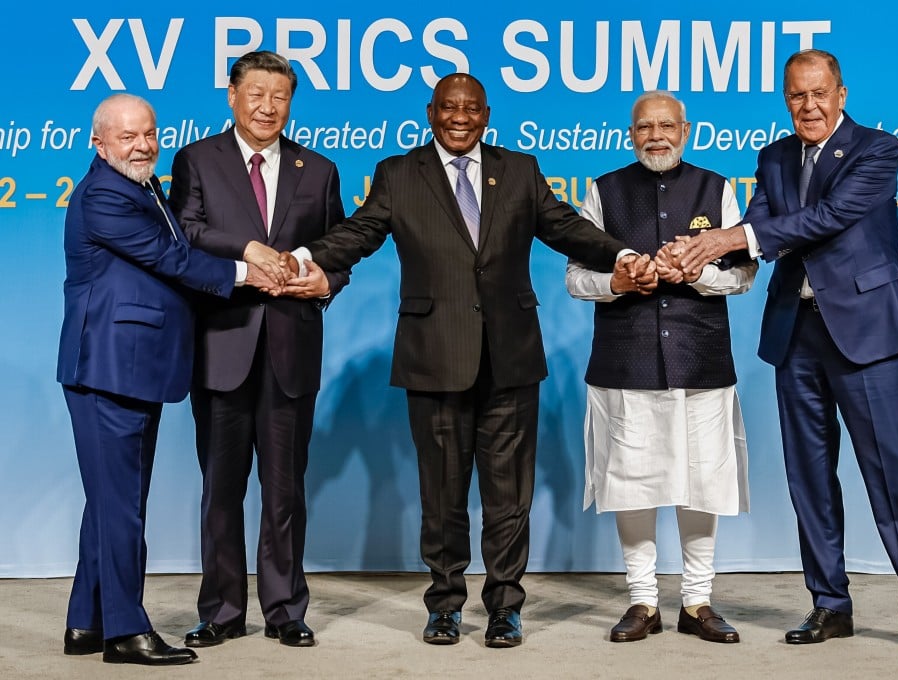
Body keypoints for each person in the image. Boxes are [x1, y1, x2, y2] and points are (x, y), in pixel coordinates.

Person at [282, 72, 629, 648]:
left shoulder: (519, 169)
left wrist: (622, 252)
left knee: (508, 495)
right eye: (448, 108)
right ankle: (443, 605)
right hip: (434, 357)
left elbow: (566, 227)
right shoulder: (399, 173)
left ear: (486, 114)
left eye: (470, 108)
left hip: (511, 358)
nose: (459, 118)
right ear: (431, 111)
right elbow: (360, 232)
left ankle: (505, 607)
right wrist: (303, 258)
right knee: (441, 494)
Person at [667, 49, 898, 654]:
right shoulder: (773, 156)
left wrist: (731, 236)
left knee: (892, 473)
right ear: (785, 100)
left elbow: (828, 217)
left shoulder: (878, 150)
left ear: (841, 94)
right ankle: (830, 604)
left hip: (866, 333)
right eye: (797, 96)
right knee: (809, 479)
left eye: (819, 93)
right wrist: (688, 256)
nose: (809, 106)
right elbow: (755, 234)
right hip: (795, 335)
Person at [58, 94, 276, 665]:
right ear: (98, 143)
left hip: (135, 368)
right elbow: (169, 258)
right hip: (108, 369)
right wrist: (245, 272)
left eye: (149, 134)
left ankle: (87, 621)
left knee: (110, 501)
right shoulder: (106, 192)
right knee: (122, 504)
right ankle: (127, 632)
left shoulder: (144, 187)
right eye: (127, 136)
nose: (142, 145)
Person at [168, 51, 347, 648]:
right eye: (257, 94)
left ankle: (285, 610)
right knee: (221, 488)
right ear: (232, 96)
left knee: (284, 488)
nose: (268, 107)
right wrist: (249, 249)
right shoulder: (197, 159)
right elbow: (187, 230)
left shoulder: (317, 170)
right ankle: (220, 611)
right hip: (222, 345)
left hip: (291, 351)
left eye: (280, 96)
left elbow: (336, 248)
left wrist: (325, 281)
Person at [565, 91, 756, 644]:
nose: (656, 135)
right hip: (625, 362)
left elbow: (743, 277)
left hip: (701, 360)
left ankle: (697, 602)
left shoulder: (717, 188)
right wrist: (616, 283)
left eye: (666, 125)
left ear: (685, 130)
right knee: (632, 483)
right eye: (645, 126)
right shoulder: (604, 191)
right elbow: (576, 278)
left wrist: (696, 272)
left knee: (703, 484)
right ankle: (642, 600)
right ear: (631, 133)